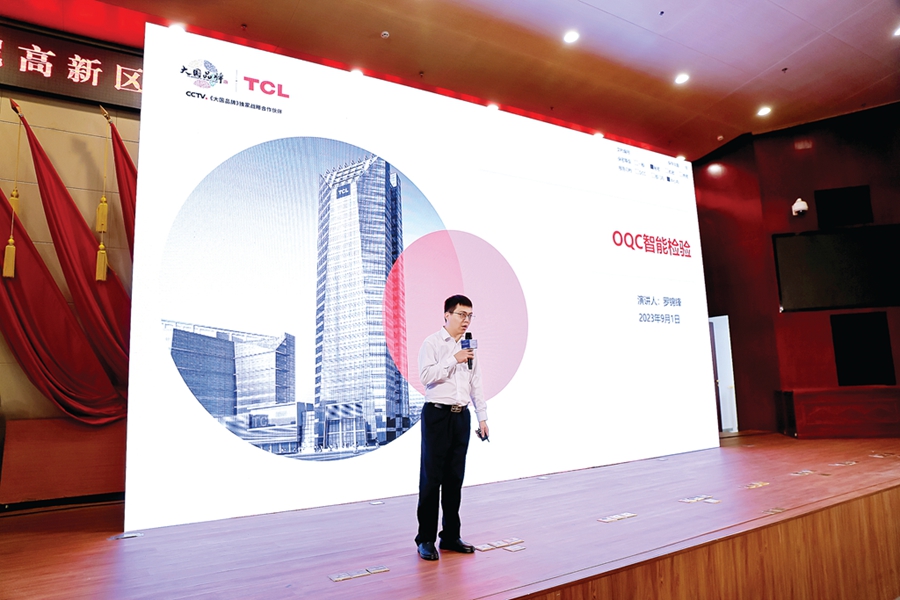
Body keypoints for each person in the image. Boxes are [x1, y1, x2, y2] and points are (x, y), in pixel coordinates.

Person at [415, 294, 489, 561]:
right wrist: (453, 359)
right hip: (437, 415)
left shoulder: (470, 347)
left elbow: (475, 383)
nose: (466, 320)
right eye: (461, 314)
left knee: (454, 479)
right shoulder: (432, 343)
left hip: (461, 417)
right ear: (447, 315)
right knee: (431, 479)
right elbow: (425, 376)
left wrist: (482, 417)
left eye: (470, 315)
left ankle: (450, 536)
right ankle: (425, 539)